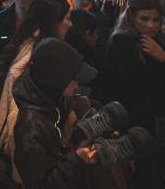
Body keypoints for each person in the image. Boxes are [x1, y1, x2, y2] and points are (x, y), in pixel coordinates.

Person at [101, 0, 165, 187]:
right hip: (134, 125)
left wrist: (164, 59)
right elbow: (123, 88)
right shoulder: (121, 43)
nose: (150, 25)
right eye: (144, 19)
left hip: (161, 123)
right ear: (131, 17)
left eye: (156, 20)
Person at [0, 0, 71, 172]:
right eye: (66, 18)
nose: (69, 24)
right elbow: (17, 109)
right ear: (53, 21)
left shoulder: (29, 46)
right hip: (25, 142)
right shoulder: (35, 56)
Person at [11, 39, 104, 189]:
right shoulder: (30, 128)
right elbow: (42, 185)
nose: (77, 85)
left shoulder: (51, 100)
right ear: (56, 81)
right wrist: (77, 158)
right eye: (73, 80)